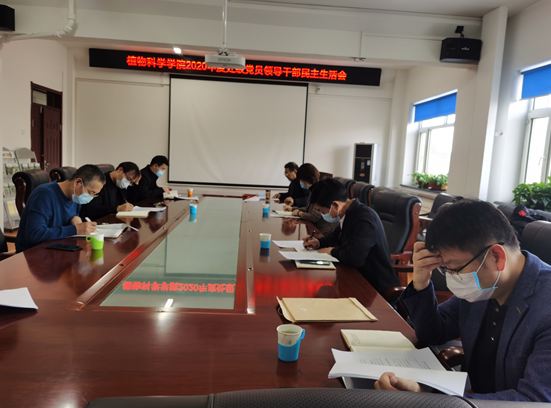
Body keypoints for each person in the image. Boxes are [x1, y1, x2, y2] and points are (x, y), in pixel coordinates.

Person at [374, 199, 551, 402]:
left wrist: (430, 399)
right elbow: (434, 332)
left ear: (496, 256)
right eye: (445, 269)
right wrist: (421, 281)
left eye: (456, 269)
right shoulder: (486, 287)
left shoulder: (545, 309)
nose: (452, 278)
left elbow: (534, 400)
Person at [302, 178, 400, 296]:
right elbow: (336, 237)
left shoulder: (364, 218)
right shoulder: (349, 213)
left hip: (375, 289)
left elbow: (354, 257)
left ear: (335, 205)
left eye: (322, 211)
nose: (322, 215)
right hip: (357, 277)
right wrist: (318, 242)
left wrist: (332, 251)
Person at [15, 164, 105, 252]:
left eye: (94, 194)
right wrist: (75, 229)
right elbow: (34, 234)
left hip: (60, 248)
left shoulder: (75, 197)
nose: (91, 197)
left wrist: (75, 219)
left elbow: (65, 219)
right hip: (35, 253)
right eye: (90, 192)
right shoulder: (44, 194)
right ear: (77, 182)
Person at [283, 163, 337, 236]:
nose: (300, 182)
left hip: (323, 230)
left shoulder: (319, 191)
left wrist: (299, 213)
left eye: (301, 180)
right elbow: (308, 209)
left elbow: (314, 217)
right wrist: (292, 209)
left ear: (307, 179)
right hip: (315, 227)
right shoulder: (313, 190)